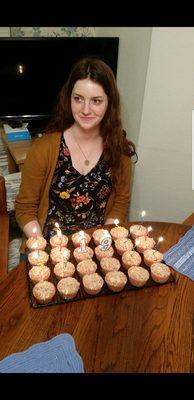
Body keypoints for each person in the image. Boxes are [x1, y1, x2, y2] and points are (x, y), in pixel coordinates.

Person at [15, 56, 137, 256]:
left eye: (96, 101)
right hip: (46, 246)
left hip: (96, 247)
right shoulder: (44, 148)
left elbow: (120, 203)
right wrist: (42, 245)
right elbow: (25, 207)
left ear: (109, 103)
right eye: (78, 99)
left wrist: (104, 240)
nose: (86, 110)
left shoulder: (119, 151)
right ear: (68, 98)